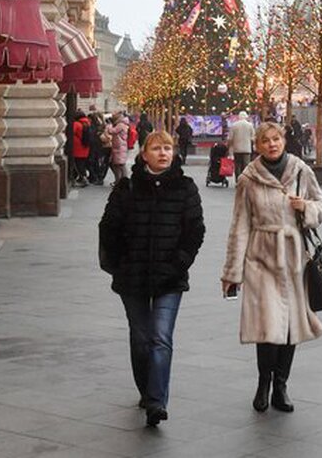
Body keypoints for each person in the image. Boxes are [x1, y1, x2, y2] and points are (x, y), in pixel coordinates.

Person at [99, 131, 205, 427]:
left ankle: (157, 402)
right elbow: (108, 228)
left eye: (168, 148)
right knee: (141, 339)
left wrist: (180, 262)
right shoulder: (127, 188)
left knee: (160, 338)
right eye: (156, 148)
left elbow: (195, 231)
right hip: (132, 277)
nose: (163, 153)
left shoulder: (185, 188)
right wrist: (121, 263)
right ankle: (146, 390)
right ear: (144, 154)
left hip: (169, 278)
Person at [221, 122, 322, 413]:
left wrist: (306, 207)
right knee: (266, 325)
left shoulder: (300, 170)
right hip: (261, 256)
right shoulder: (248, 178)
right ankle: (263, 382)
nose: (272, 144)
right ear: (258, 145)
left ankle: (282, 385)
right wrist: (232, 272)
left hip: (294, 258)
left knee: (291, 324)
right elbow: (240, 225)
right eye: (266, 140)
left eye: (276, 139)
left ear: (284, 141)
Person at [228, 111, 256, 179]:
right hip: (247, 149)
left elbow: (230, 138)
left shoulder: (234, 125)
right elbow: (253, 137)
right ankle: (245, 180)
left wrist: (229, 147)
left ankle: (238, 180)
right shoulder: (250, 125)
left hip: (237, 149)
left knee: (237, 166)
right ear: (246, 117)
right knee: (246, 166)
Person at [70, 111, 92, 188]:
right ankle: (81, 178)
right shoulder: (87, 123)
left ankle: (84, 179)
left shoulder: (77, 124)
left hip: (77, 148)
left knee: (78, 165)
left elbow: (70, 133)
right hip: (85, 148)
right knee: (81, 164)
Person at [109, 112, 131, 183]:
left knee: (120, 164)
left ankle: (122, 180)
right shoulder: (123, 124)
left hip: (119, 146)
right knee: (118, 164)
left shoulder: (120, 125)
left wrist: (109, 126)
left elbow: (112, 131)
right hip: (120, 146)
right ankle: (120, 180)